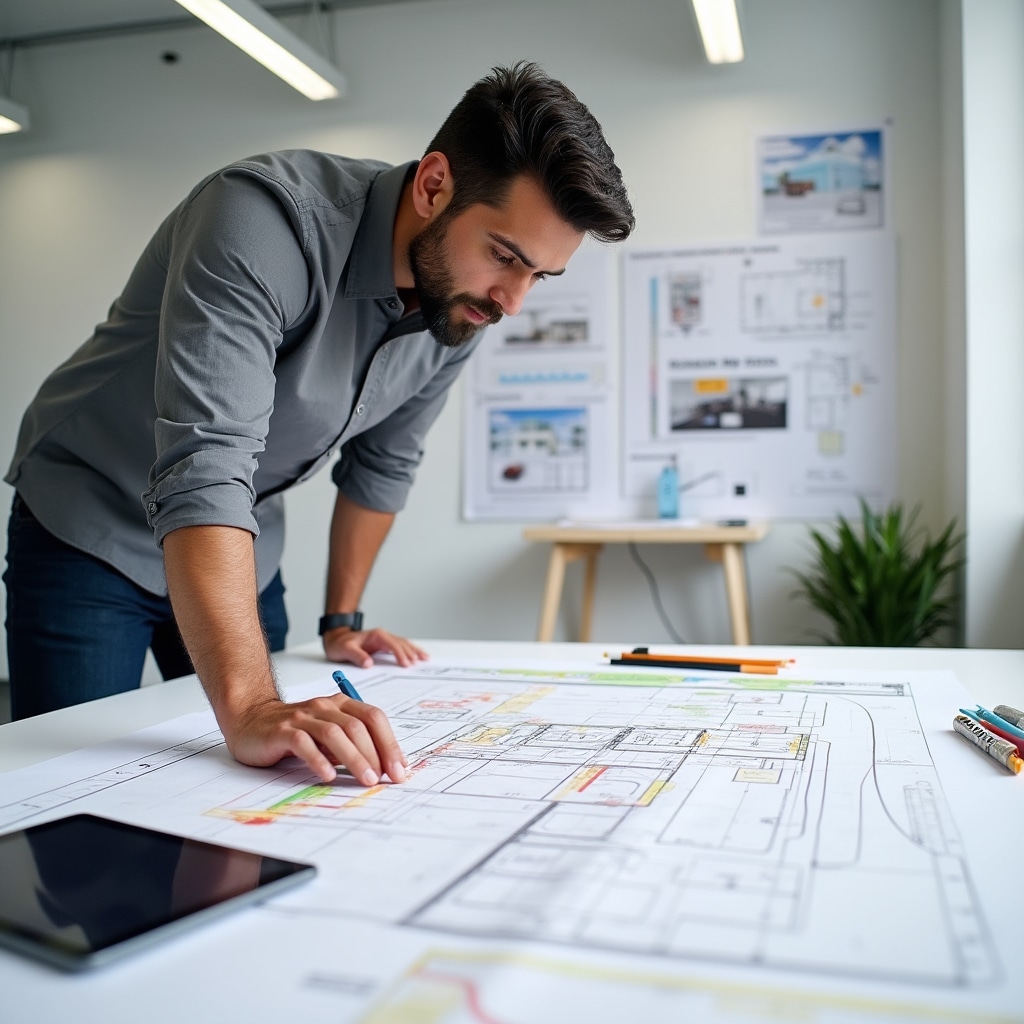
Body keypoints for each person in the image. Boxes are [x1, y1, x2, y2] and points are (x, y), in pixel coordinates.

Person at [4, 61, 634, 785]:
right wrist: (247, 705)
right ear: (434, 186)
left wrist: (342, 619)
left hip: (240, 537)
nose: (513, 301)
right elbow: (204, 463)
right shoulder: (261, 218)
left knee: (258, 782)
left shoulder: (463, 303)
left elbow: (384, 464)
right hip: (92, 520)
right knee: (67, 793)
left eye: (539, 276)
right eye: (505, 257)